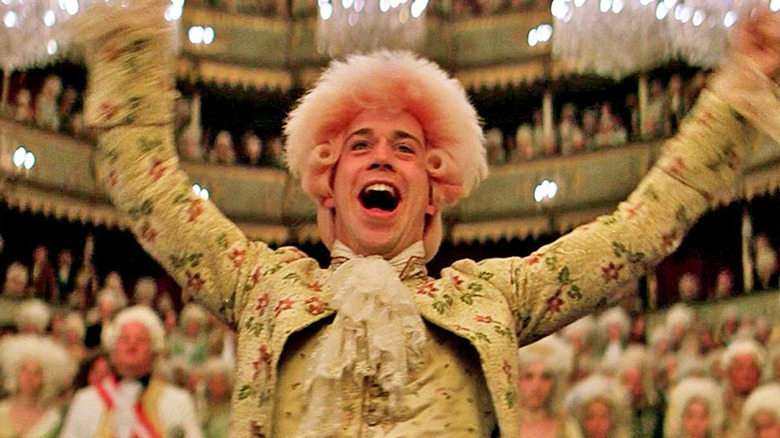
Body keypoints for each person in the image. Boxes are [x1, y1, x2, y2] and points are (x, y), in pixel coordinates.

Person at [70, 2, 780, 436]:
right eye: (360, 145)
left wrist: (738, 95)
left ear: (434, 190)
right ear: (328, 186)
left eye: (405, 147)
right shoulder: (262, 286)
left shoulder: (493, 297)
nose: (382, 157)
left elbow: (638, 230)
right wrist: (132, 33)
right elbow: (153, 193)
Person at [60, 306, 203, 438]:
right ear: (113, 351)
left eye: (140, 340)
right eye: (124, 339)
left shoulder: (178, 402)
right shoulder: (85, 402)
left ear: (154, 351)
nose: (132, 345)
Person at [0, 334, 76, 438]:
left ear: (46, 379)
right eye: (24, 370)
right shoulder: (2, 411)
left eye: (37, 373)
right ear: (15, 372)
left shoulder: (52, 420)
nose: (29, 377)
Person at [516, 335, 579, 437]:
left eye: (545, 377)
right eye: (528, 376)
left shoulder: (566, 428)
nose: (536, 385)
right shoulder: (500, 427)